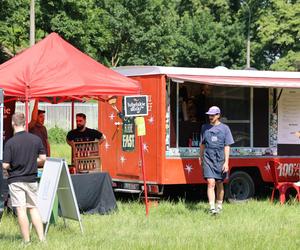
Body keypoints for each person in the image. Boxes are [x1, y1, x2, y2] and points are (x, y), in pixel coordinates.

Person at [2, 112, 46, 243]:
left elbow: (5, 165)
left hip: (15, 180)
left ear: (13, 124)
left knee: (21, 210)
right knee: (33, 208)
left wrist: (13, 166)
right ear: (24, 123)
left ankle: (26, 241)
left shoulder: (10, 143)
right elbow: (43, 159)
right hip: (32, 179)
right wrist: (33, 162)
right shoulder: (35, 140)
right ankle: (42, 239)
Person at [199, 106, 234, 214]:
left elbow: (227, 146)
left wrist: (226, 162)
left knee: (219, 182)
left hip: (220, 159)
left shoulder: (225, 128)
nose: (210, 117)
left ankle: (219, 206)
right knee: (211, 182)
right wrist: (200, 157)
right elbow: (202, 144)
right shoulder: (204, 127)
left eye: (213, 115)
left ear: (218, 115)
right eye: (209, 115)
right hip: (208, 158)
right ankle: (212, 208)